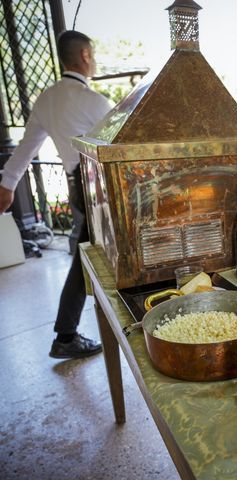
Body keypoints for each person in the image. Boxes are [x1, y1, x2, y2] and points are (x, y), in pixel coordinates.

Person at [0, 31, 112, 359]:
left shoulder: (46, 99)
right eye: (93, 54)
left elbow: (26, 147)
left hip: (75, 185)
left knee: (84, 252)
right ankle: (66, 335)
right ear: (85, 56)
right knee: (86, 256)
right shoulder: (94, 101)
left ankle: (69, 332)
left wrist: (7, 184)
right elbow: (118, 148)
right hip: (98, 187)